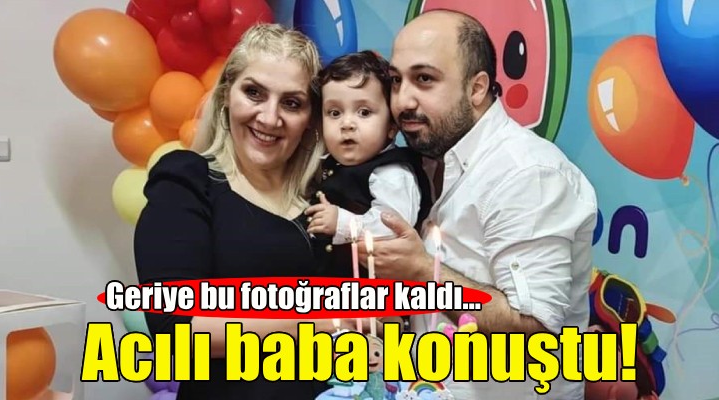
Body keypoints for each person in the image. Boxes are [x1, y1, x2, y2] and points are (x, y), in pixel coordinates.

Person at [357, 9, 598, 400]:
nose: (402, 100)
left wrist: (422, 271)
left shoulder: (527, 174)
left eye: (424, 79)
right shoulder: (420, 162)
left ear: (477, 88)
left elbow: (535, 330)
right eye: (397, 81)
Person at [134, 23, 361, 400]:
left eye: (292, 103)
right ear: (227, 93)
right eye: (254, 92)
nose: (269, 118)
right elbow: (177, 330)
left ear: (310, 118)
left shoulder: (324, 202)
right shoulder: (189, 181)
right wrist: (319, 325)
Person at [303, 50, 432, 279]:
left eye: (364, 112)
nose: (347, 124)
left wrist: (341, 222)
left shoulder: (392, 173)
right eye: (334, 113)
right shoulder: (328, 164)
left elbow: (393, 229)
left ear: (392, 126)